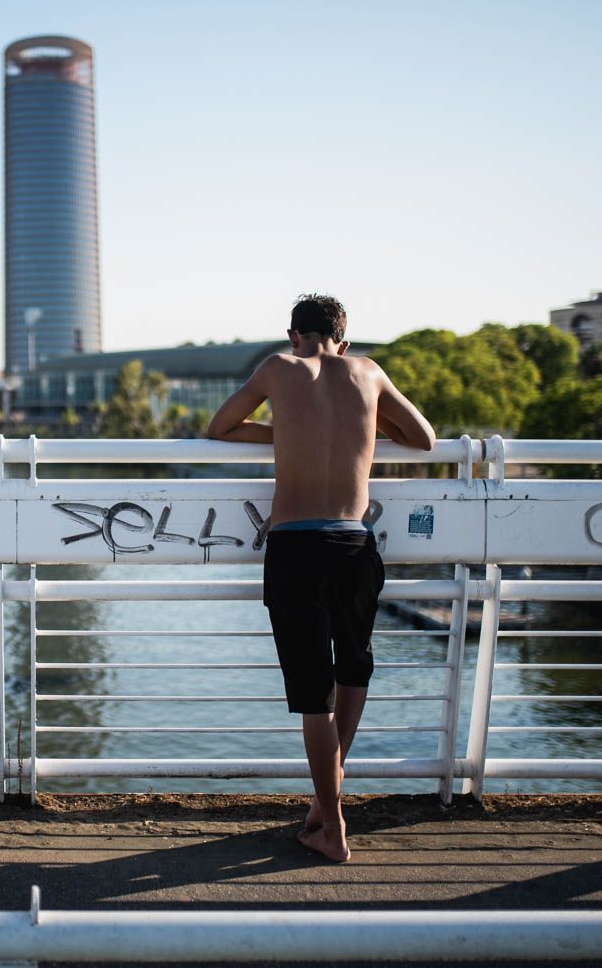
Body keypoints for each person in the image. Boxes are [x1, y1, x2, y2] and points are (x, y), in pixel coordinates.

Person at [206, 294, 434, 862]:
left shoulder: (279, 369)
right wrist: (359, 429)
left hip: (296, 547)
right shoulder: (369, 372)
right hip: (355, 544)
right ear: (344, 339)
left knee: (313, 696)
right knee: (353, 669)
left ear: (293, 335)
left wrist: (284, 432)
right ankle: (324, 805)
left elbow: (220, 427)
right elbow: (423, 438)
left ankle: (331, 825)